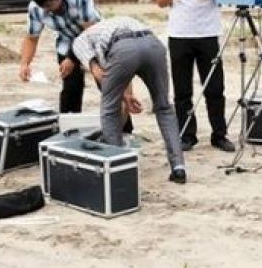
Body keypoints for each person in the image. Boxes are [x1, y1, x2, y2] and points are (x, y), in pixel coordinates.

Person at [72, 16, 186, 183]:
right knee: (164, 108)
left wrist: (94, 68)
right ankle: (178, 168)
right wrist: (126, 96)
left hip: (123, 49)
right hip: (153, 44)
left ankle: (117, 168)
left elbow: (102, 75)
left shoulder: (81, 41)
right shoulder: (112, 23)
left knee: (110, 110)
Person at [156, 0, 235, 152]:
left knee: (214, 88)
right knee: (182, 91)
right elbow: (160, 0)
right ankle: (187, 135)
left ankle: (219, 135)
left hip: (208, 32)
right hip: (179, 34)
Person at [19, 0, 100, 112]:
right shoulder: (35, 8)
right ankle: (68, 128)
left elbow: (89, 32)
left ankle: (125, 130)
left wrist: (72, 58)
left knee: (107, 83)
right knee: (70, 89)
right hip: (66, 42)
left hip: (95, 39)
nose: (47, 10)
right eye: (43, 6)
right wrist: (24, 64)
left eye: (50, 5)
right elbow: (32, 38)